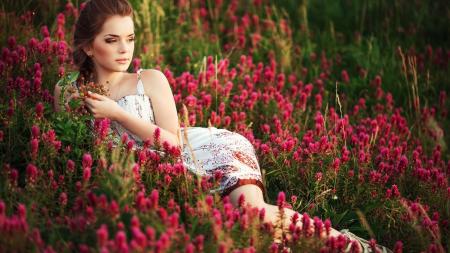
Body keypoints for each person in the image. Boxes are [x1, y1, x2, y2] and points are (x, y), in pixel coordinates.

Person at [53, 0, 392, 252]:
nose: (125, 49)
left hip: (202, 154)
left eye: (130, 38)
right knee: (242, 236)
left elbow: (173, 145)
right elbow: (67, 151)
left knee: (253, 214)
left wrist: (118, 114)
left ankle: (352, 245)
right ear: (87, 45)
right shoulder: (67, 91)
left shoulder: (149, 80)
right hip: (152, 179)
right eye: (112, 40)